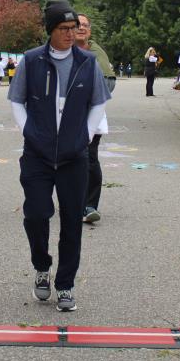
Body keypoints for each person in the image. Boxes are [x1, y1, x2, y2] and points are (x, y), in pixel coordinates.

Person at [8, 0, 111, 312]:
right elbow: (17, 99)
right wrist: (29, 131)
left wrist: (85, 135)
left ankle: (65, 284)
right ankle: (42, 266)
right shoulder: (31, 60)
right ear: (50, 30)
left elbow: (98, 102)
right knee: (37, 214)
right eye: (64, 28)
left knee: (72, 221)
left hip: (73, 157)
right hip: (37, 155)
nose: (71, 33)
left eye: (73, 28)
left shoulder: (87, 62)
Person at [74, 13, 115, 224]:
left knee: (89, 157)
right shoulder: (61, 50)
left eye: (85, 25)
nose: (81, 28)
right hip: (63, 117)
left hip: (90, 116)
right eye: (77, 25)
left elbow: (108, 84)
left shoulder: (97, 54)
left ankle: (89, 205)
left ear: (89, 30)